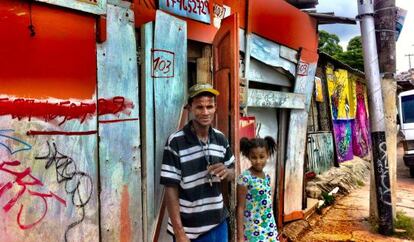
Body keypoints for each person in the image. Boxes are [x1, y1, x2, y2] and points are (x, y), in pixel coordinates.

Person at [160, 83, 235, 242]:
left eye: (210, 106)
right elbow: (170, 188)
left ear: (215, 108)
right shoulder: (176, 142)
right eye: (200, 107)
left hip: (219, 224)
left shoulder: (220, 139)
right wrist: (180, 233)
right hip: (190, 231)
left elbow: (234, 172)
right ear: (190, 108)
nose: (205, 112)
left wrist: (227, 172)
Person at [237, 137, 279, 242]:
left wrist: (273, 227)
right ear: (248, 156)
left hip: (269, 227)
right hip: (252, 231)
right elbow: (240, 208)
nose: (258, 161)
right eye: (254, 157)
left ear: (267, 155)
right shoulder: (245, 178)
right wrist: (240, 237)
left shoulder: (267, 177)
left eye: (261, 157)